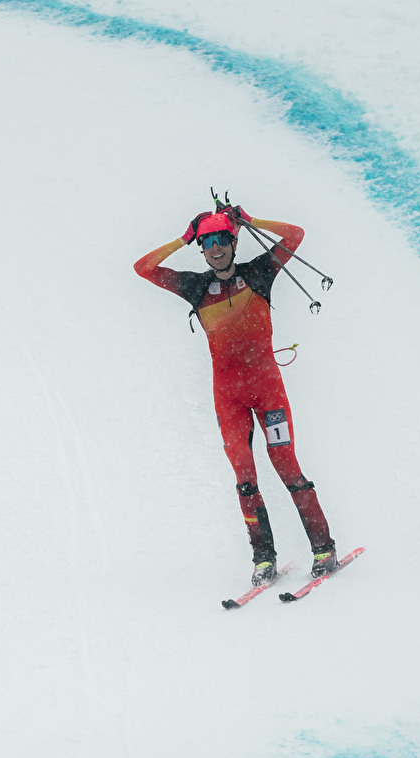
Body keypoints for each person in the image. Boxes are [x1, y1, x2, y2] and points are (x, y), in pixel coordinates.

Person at [133, 202, 338, 584]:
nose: (215, 249)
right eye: (207, 243)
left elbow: (295, 236)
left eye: (221, 240)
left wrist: (251, 220)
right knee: (244, 476)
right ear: (201, 248)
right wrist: (184, 237)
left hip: (268, 391)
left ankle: (324, 548)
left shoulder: (259, 272)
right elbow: (143, 268)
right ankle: (263, 559)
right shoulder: (196, 287)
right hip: (229, 398)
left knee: (286, 465)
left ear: (233, 242)